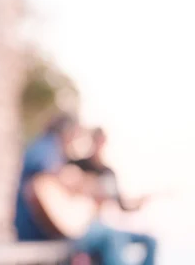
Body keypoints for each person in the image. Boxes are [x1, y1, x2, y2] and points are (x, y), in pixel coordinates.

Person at [70, 128, 157, 265]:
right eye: (97, 142)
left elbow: (123, 205)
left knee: (151, 240)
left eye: (102, 143)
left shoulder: (108, 173)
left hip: (105, 224)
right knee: (114, 236)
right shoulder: (77, 165)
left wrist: (140, 203)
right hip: (84, 227)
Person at [14, 112, 80, 241]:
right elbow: (46, 170)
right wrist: (73, 180)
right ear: (67, 131)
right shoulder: (47, 147)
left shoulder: (51, 148)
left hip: (41, 228)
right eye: (74, 135)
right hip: (34, 227)